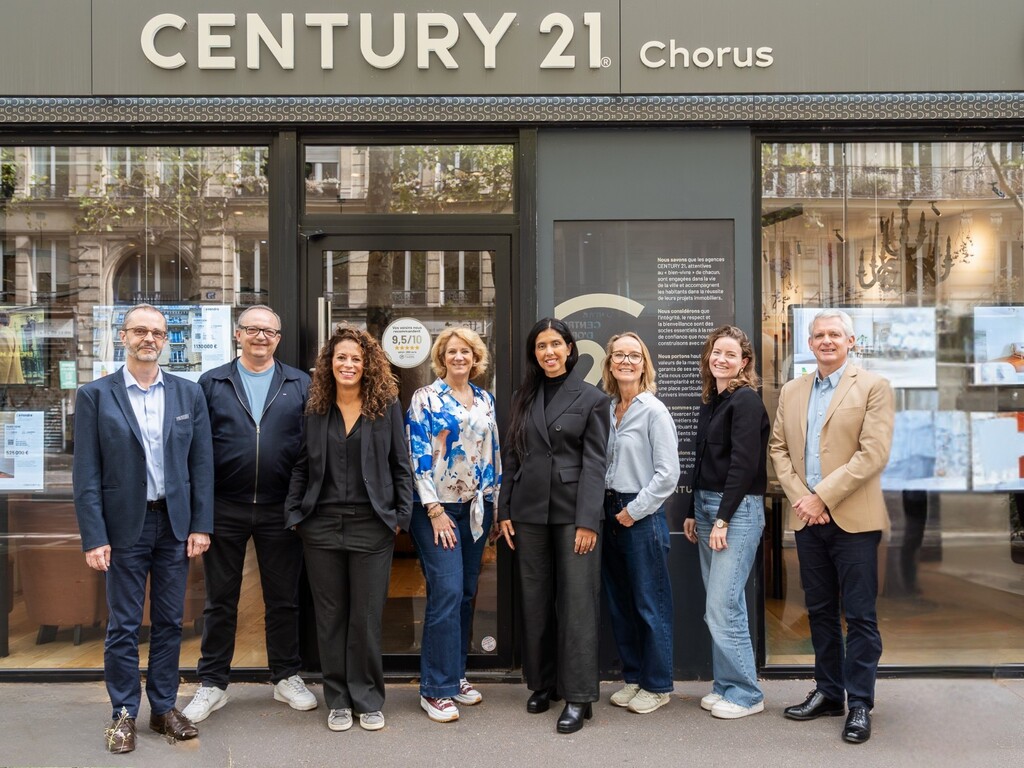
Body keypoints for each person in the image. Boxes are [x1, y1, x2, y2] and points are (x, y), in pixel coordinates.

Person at [73, 304, 214, 754]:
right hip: (123, 529)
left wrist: (200, 524)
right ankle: (122, 714)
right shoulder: (96, 395)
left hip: (173, 526)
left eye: (157, 331)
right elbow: (86, 474)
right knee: (124, 625)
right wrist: (94, 536)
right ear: (122, 337)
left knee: (171, 622)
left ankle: (163, 709)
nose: (148, 338)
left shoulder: (188, 395)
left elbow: (202, 466)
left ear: (166, 339)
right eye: (139, 331)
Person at [182, 305, 315, 723]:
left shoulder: (300, 383)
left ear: (279, 338)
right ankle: (213, 683)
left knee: (283, 599)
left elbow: (309, 451)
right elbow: (198, 454)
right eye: (253, 330)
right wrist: (200, 516)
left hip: (281, 507)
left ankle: (286, 676)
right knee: (221, 600)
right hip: (225, 506)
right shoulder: (213, 382)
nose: (261, 337)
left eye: (270, 331)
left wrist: (299, 504)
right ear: (238, 335)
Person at [768, 309, 894, 744]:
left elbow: (872, 453)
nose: (826, 340)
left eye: (834, 334)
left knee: (859, 616)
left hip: (855, 520)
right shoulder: (792, 390)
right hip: (809, 519)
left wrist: (824, 496)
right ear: (810, 341)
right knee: (819, 611)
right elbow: (779, 449)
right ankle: (828, 691)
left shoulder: (873, 386)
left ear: (850, 341)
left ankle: (859, 703)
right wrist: (805, 499)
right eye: (819, 334)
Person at [285, 325, 413, 733]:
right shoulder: (315, 405)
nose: (348, 364)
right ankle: (337, 700)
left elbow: (400, 464)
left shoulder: (385, 405)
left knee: (367, 617)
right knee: (331, 617)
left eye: (356, 358)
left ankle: (369, 698)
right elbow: (303, 464)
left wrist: (400, 517)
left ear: (367, 364)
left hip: (371, 526)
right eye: (341, 357)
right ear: (329, 363)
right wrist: (295, 513)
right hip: (320, 527)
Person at [498, 318, 610, 735]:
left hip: (571, 515)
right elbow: (513, 456)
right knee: (535, 600)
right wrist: (504, 509)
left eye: (556, 344)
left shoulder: (593, 398)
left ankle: (579, 695)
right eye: (541, 345)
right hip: (528, 514)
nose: (548, 352)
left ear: (569, 349)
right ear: (534, 352)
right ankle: (543, 683)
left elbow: (596, 464)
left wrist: (587, 521)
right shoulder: (522, 396)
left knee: (578, 604)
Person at [405, 326, 501, 723]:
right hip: (437, 509)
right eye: (451, 352)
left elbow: (492, 452)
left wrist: (495, 504)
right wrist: (433, 509)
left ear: (475, 358)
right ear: (441, 358)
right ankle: (434, 689)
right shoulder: (424, 398)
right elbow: (418, 455)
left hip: (476, 508)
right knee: (444, 591)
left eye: (466, 351)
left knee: (463, 593)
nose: (459, 357)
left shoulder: (484, 398)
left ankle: (455, 675)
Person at [682, 325, 769, 720]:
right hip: (706, 506)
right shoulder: (713, 400)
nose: (722, 359)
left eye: (731, 355)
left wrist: (721, 520)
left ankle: (747, 693)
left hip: (735, 511)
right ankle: (726, 686)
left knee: (723, 605)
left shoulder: (746, 401)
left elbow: (744, 466)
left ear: (744, 362)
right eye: (717, 352)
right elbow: (703, 462)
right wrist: (692, 512)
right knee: (717, 604)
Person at [601, 332, 680, 715]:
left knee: (651, 604)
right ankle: (633, 677)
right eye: (619, 355)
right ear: (610, 363)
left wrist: (634, 510)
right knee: (620, 604)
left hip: (640, 514)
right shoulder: (609, 409)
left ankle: (658, 684)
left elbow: (668, 474)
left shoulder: (654, 410)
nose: (626, 361)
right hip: (609, 511)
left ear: (644, 363)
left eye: (634, 355)